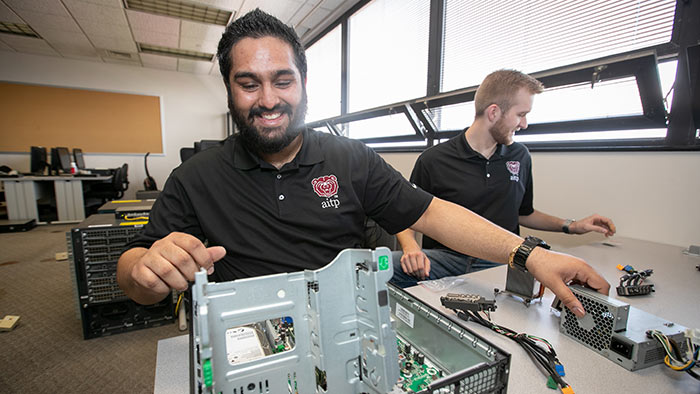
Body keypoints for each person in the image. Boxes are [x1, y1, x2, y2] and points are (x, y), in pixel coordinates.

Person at [116, 9, 609, 318]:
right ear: (230, 91)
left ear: (305, 84)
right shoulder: (195, 177)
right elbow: (133, 273)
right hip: (256, 333)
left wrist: (531, 255)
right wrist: (142, 271)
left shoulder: (350, 159)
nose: (268, 100)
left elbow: (434, 213)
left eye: (283, 80)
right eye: (249, 84)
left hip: (350, 325)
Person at [392, 69, 616, 288]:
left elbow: (524, 213)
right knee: (377, 269)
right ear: (493, 112)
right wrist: (410, 246)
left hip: (502, 259)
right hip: (448, 260)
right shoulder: (434, 159)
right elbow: (407, 212)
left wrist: (572, 226)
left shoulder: (520, 156)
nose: (524, 124)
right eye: (521, 115)